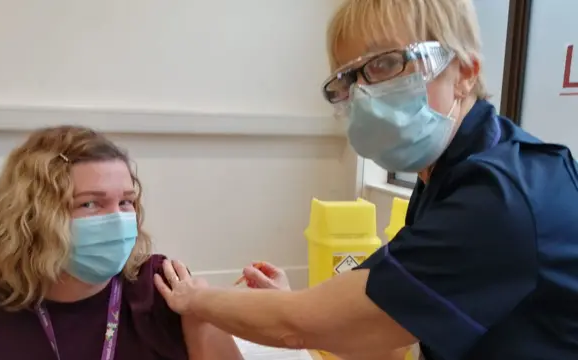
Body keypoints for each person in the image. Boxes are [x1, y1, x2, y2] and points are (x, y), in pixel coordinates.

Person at [153, 0, 578, 359]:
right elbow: (389, 329)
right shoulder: (448, 174)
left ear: (464, 71)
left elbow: (298, 326)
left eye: (387, 63)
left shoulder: (498, 197)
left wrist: (194, 299)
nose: (363, 94)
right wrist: (295, 307)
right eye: (348, 79)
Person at [0, 126, 243, 360]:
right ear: (31, 218)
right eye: (90, 204)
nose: (118, 219)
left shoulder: (168, 291)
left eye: (126, 202)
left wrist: (204, 316)